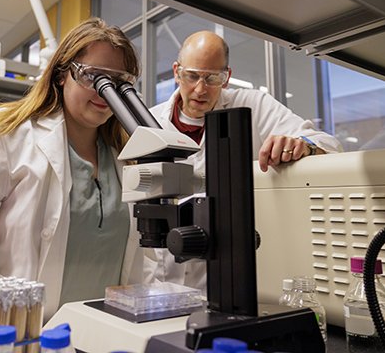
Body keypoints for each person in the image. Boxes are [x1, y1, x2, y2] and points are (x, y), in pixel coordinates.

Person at [0, 18, 146, 337]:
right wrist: (10, 323)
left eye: (119, 82)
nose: (105, 92)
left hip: (98, 335)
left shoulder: (126, 155)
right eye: (92, 76)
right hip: (15, 334)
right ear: (62, 75)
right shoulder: (2, 135)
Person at [147, 30, 343, 290]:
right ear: (176, 72)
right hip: (160, 280)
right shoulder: (149, 121)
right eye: (192, 76)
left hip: (229, 277)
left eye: (213, 78)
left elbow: (329, 144)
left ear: (227, 76)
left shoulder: (253, 106)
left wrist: (303, 145)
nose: (200, 89)